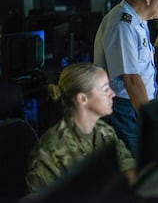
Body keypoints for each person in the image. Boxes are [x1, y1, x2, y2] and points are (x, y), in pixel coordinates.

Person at [93, 0, 158, 158]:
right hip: (124, 108)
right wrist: (150, 118)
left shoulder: (138, 20)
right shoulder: (122, 23)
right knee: (132, 165)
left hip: (134, 104)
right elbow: (131, 80)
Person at [25, 63, 136, 194]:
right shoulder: (49, 152)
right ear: (83, 98)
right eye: (105, 89)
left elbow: (127, 167)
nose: (112, 93)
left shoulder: (104, 131)